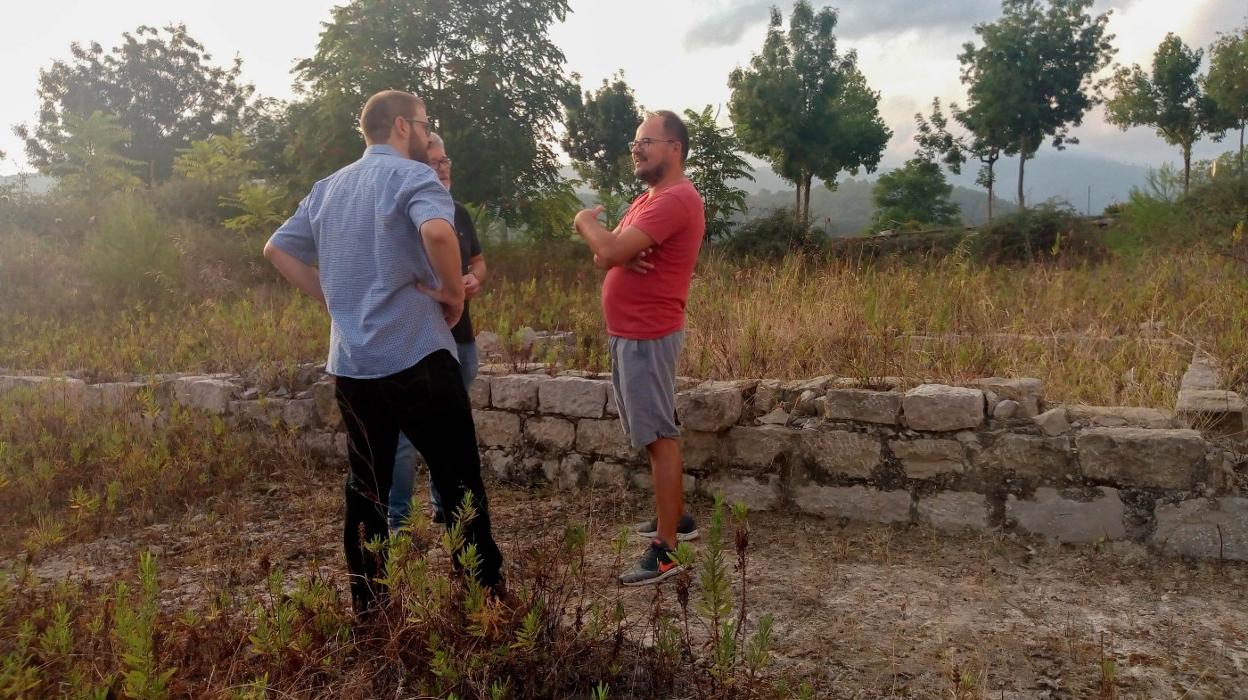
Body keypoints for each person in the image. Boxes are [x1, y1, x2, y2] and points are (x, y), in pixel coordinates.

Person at [263, 90, 504, 614]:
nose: (425, 132)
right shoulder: (413, 177)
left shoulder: (328, 188)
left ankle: (371, 608)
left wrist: (332, 296)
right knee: (458, 476)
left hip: (353, 366)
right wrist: (454, 293)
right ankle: (483, 599)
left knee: (365, 488)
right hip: (418, 355)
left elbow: (276, 249)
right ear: (401, 126)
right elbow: (439, 231)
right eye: (423, 123)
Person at [572, 110, 704, 586]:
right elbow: (604, 256)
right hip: (632, 332)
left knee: (658, 436)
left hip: (648, 334)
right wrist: (612, 251)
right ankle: (678, 519)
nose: (636, 148)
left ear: (674, 147)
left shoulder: (675, 200)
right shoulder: (646, 200)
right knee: (653, 434)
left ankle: (666, 550)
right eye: (634, 142)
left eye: (646, 140)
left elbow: (606, 252)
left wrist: (585, 221)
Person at [389, 132, 486, 530]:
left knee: (451, 434)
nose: (443, 168)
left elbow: (478, 261)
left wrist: (473, 280)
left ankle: (445, 508)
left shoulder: (457, 212)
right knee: (405, 441)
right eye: (434, 161)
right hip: (416, 339)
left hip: (460, 338)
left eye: (445, 160)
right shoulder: (403, 212)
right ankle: (397, 522)